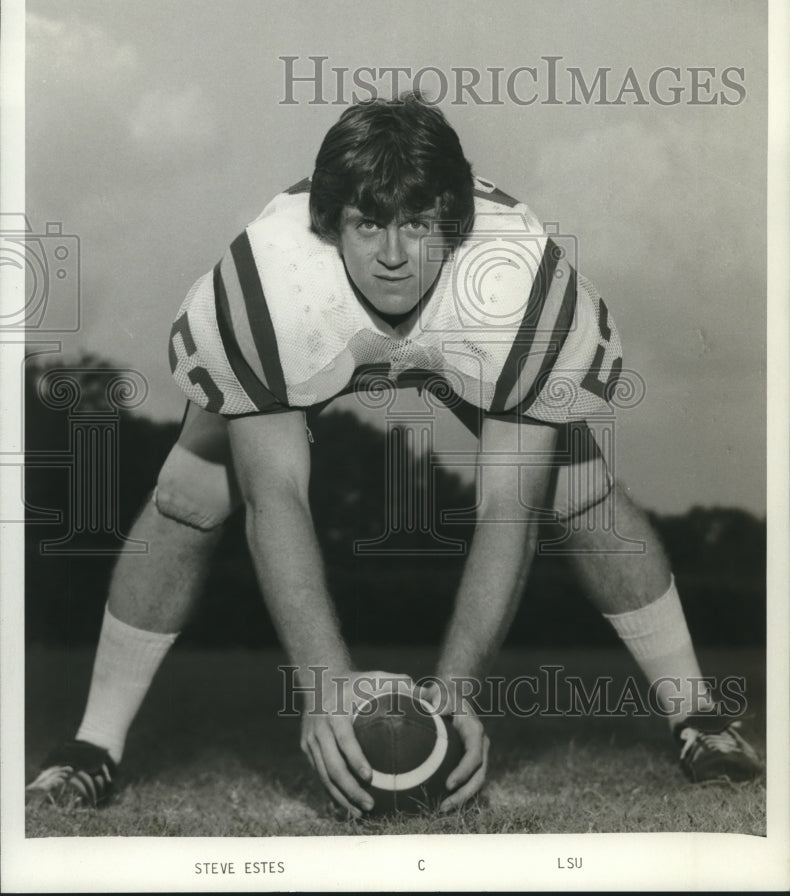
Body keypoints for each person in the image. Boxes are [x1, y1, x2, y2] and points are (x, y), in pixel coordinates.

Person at [26, 94, 761, 815]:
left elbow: (509, 509)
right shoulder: (273, 283)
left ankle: (697, 716)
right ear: (327, 223)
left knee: (579, 494)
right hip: (317, 333)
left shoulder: (517, 287)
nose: (393, 254)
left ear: (457, 222)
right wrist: (326, 687)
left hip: (470, 333)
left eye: (419, 223)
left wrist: (459, 690)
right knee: (191, 493)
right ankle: (94, 745)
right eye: (367, 223)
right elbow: (275, 495)